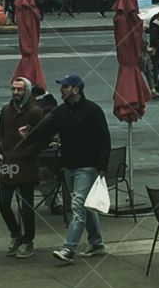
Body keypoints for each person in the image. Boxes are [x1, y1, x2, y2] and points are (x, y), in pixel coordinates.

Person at [20, 74, 111, 264]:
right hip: (69, 165)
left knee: (77, 206)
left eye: (65, 87)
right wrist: (28, 136)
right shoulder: (61, 112)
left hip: (87, 167)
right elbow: (46, 131)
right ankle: (96, 242)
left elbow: (104, 139)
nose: (61, 90)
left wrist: (102, 166)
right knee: (85, 206)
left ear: (75, 89)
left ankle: (69, 249)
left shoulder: (92, 110)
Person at [0, 77, 46, 258]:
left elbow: (41, 139)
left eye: (19, 90)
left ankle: (28, 240)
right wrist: (2, 146)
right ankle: (16, 233)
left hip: (26, 164)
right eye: (13, 89)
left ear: (27, 91)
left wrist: (27, 153)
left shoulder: (35, 112)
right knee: (3, 203)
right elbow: (0, 131)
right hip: (9, 162)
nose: (15, 93)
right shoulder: (6, 110)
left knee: (27, 206)